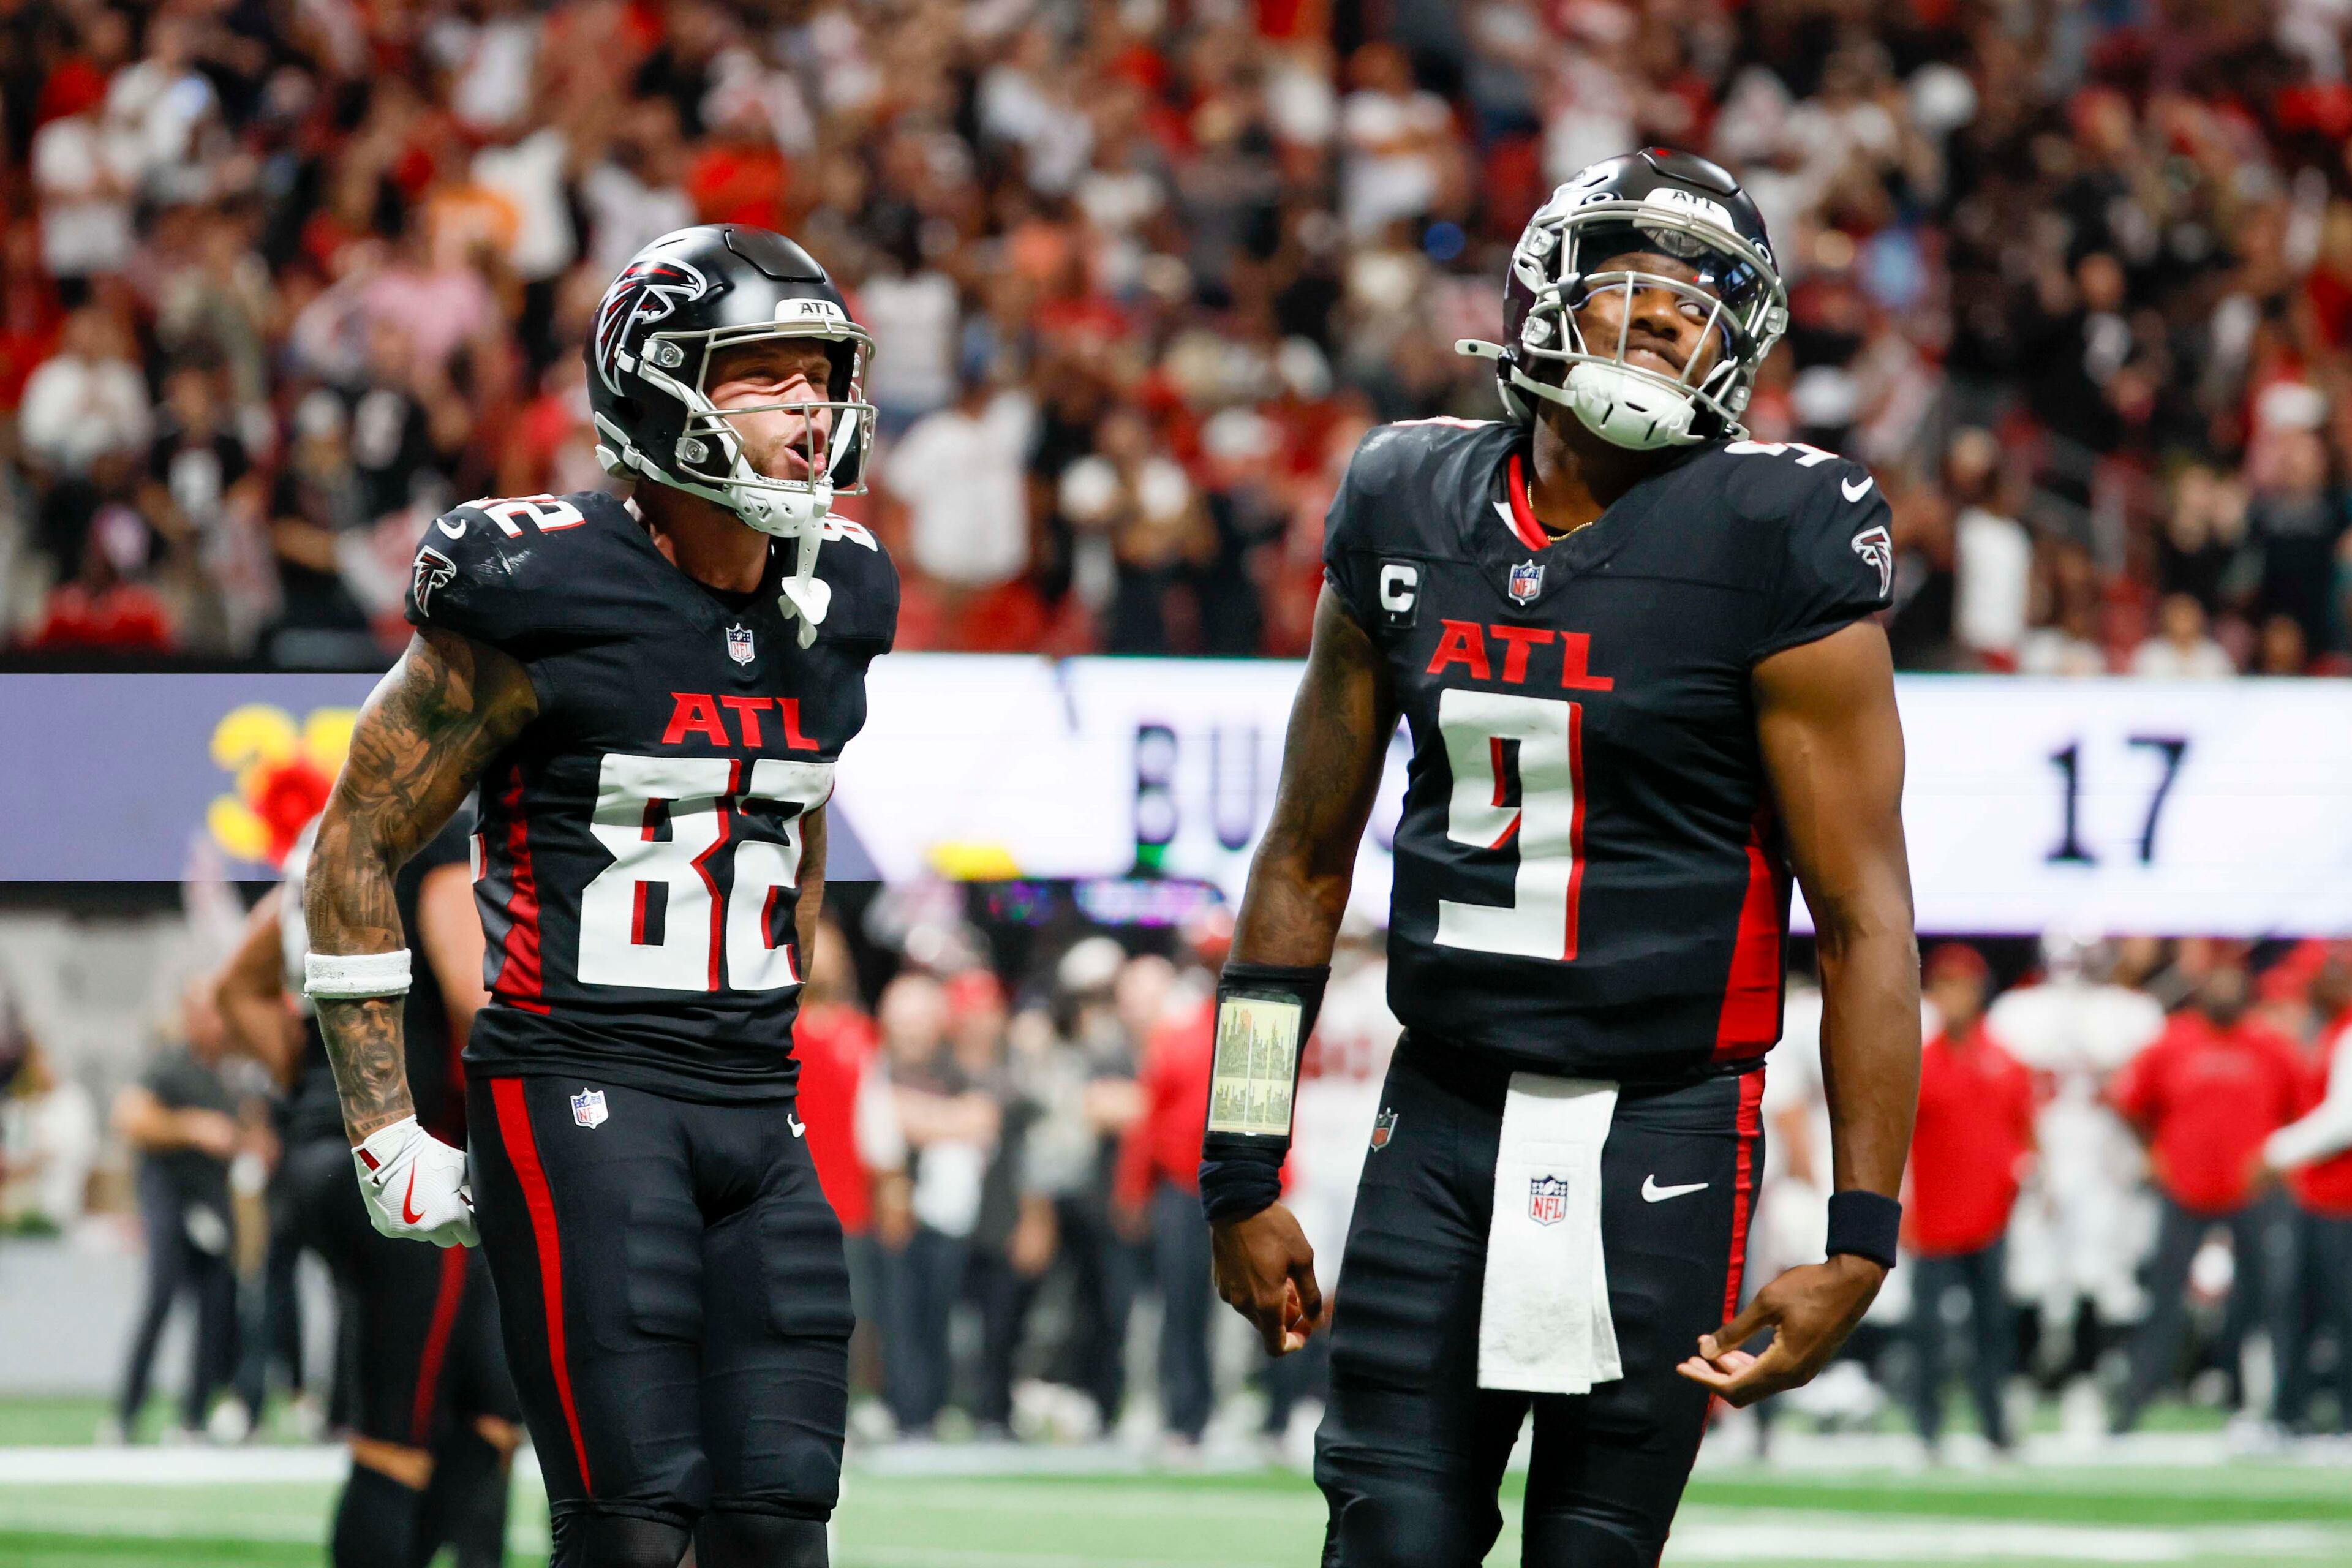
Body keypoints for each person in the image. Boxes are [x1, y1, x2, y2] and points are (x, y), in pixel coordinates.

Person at [1200, 148, 1920, 1567]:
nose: (1666, 320)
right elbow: (1298, 860)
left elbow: (1863, 915)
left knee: (1593, 1547)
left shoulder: (1775, 529)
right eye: (1635, 283)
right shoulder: (1407, 496)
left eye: (1704, 301)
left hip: (1664, 1120)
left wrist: (1860, 1230)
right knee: (1382, 1537)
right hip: (1441, 1111)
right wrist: (1239, 1162)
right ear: (1544, 293)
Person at [300, 224, 897, 1568]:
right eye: (765, 374)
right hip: (580, 1078)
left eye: (824, 372)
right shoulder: (541, 581)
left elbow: (789, 829)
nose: (812, 409)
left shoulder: (843, 592)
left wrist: (774, 1016)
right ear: (659, 388)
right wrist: (389, 1128)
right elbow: (353, 839)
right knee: (632, 1523)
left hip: (753, 1095)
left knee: (781, 1521)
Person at [213, 814, 519, 1568]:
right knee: (395, 1439)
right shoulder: (432, 829)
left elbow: (234, 989)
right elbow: (468, 987)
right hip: (406, 1157)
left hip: (329, 1154)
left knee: (493, 1405)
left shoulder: (328, 839)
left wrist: (311, 1081)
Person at [2109, 959, 2305, 1433]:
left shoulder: (2271, 1047)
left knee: (2268, 1301)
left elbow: (2299, 1112)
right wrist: (2152, 1152)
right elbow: (2129, 1101)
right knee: (2164, 1302)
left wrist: (2275, 1160)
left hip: (2251, 1192)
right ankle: (2134, 1405)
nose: (2224, 992)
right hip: (2185, 1189)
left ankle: (2274, 1407)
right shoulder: (2172, 1041)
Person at [1985, 927, 2163, 1430]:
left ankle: (2083, 1385)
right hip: (2038, 1152)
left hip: (2104, 1157)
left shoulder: (2132, 1013)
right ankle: (2019, 1381)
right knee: (2028, 1273)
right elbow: (2004, 1093)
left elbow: (2148, 1092)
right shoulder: (2017, 1013)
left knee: (2096, 1273)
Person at [1903, 943, 2036, 1456]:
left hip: (1989, 1217)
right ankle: (1927, 1427)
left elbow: (2025, 1131)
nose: (1954, 997)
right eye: (1945, 986)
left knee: (1992, 1330)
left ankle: (1995, 1426)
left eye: (1962, 985)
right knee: (1929, 1333)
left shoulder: (2004, 1059)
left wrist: (2026, 1184)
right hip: (1932, 1218)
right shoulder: (1919, 1060)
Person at [109, 984, 245, 1444]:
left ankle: (195, 1418)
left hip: (213, 1203)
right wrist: (192, 1128)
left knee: (216, 1307)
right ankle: (125, 1415)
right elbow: (128, 1118)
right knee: (161, 1299)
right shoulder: (170, 1065)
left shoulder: (228, 1075)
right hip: (170, 1198)